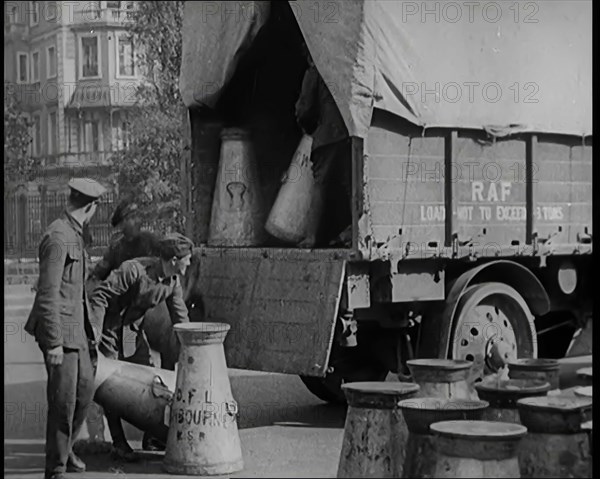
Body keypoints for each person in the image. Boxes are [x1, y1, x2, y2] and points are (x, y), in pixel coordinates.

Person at [25, 178, 107, 479]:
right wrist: (55, 343)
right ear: (91, 207)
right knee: (63, 401)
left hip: (78, 331)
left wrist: (91, 327)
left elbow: (76, 290)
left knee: (84, 392)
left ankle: (67, 448)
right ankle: (56, 467)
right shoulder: (58, 236)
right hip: (60, 331)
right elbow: (48, 294)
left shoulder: (74, 232)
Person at [88, 233, 194, 461]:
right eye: (187, 258)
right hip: (109, 329)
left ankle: (152, 436)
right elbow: (99, 294)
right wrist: (95, 333)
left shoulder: (172, 283)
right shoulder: (133, 270)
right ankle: (118, 443)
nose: (190, 263)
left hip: (131, 333)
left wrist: (193, 349)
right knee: (111, 385)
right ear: (174, 260)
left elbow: (180, 318)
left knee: (151, 380)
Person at [294, 42, 352, 248]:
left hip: (328, 134)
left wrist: (307, 128)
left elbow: (305, 108)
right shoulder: (347, 65)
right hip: (350, 133)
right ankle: (353, 232)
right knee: (350, 184)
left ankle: (311, 237)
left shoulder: (316, 69)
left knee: (320, 184)